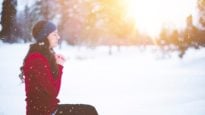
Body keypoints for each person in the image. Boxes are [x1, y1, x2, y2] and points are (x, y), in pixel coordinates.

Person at [20, 20, 98, 115]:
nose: (58, 37)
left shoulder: (43, 56)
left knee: (89, 110)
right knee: (88, 112)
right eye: (54, 34)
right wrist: (59, 66)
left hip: (49, 110)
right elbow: (52, 92)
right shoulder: (36, 59)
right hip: (43, 112)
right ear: (45, 36)